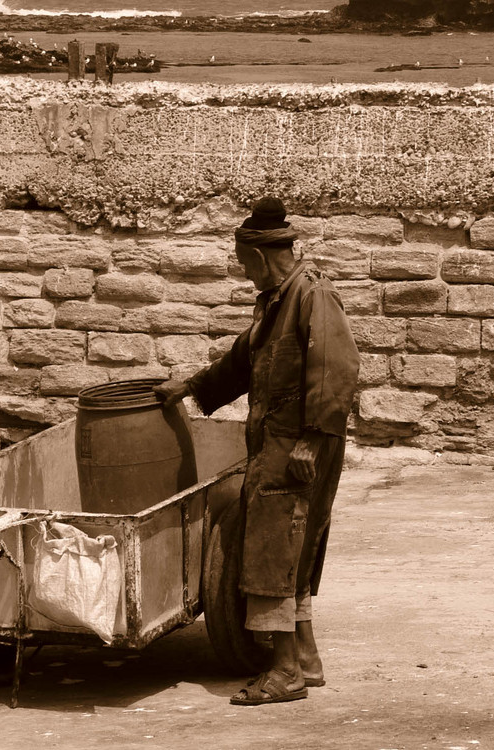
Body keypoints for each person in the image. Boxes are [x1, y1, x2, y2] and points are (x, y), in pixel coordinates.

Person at [155, 197, 361, 706]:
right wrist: (189, 387)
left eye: (244, 262)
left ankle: (284, 670)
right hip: (281, 442)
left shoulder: (312, 295)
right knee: (292, 549)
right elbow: (242, 361)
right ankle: (306, 660)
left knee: (271, 550)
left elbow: (338, 368)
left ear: (263, 257)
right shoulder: (274, 301)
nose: (243, 271)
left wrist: (311, 441)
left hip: (298, 444)